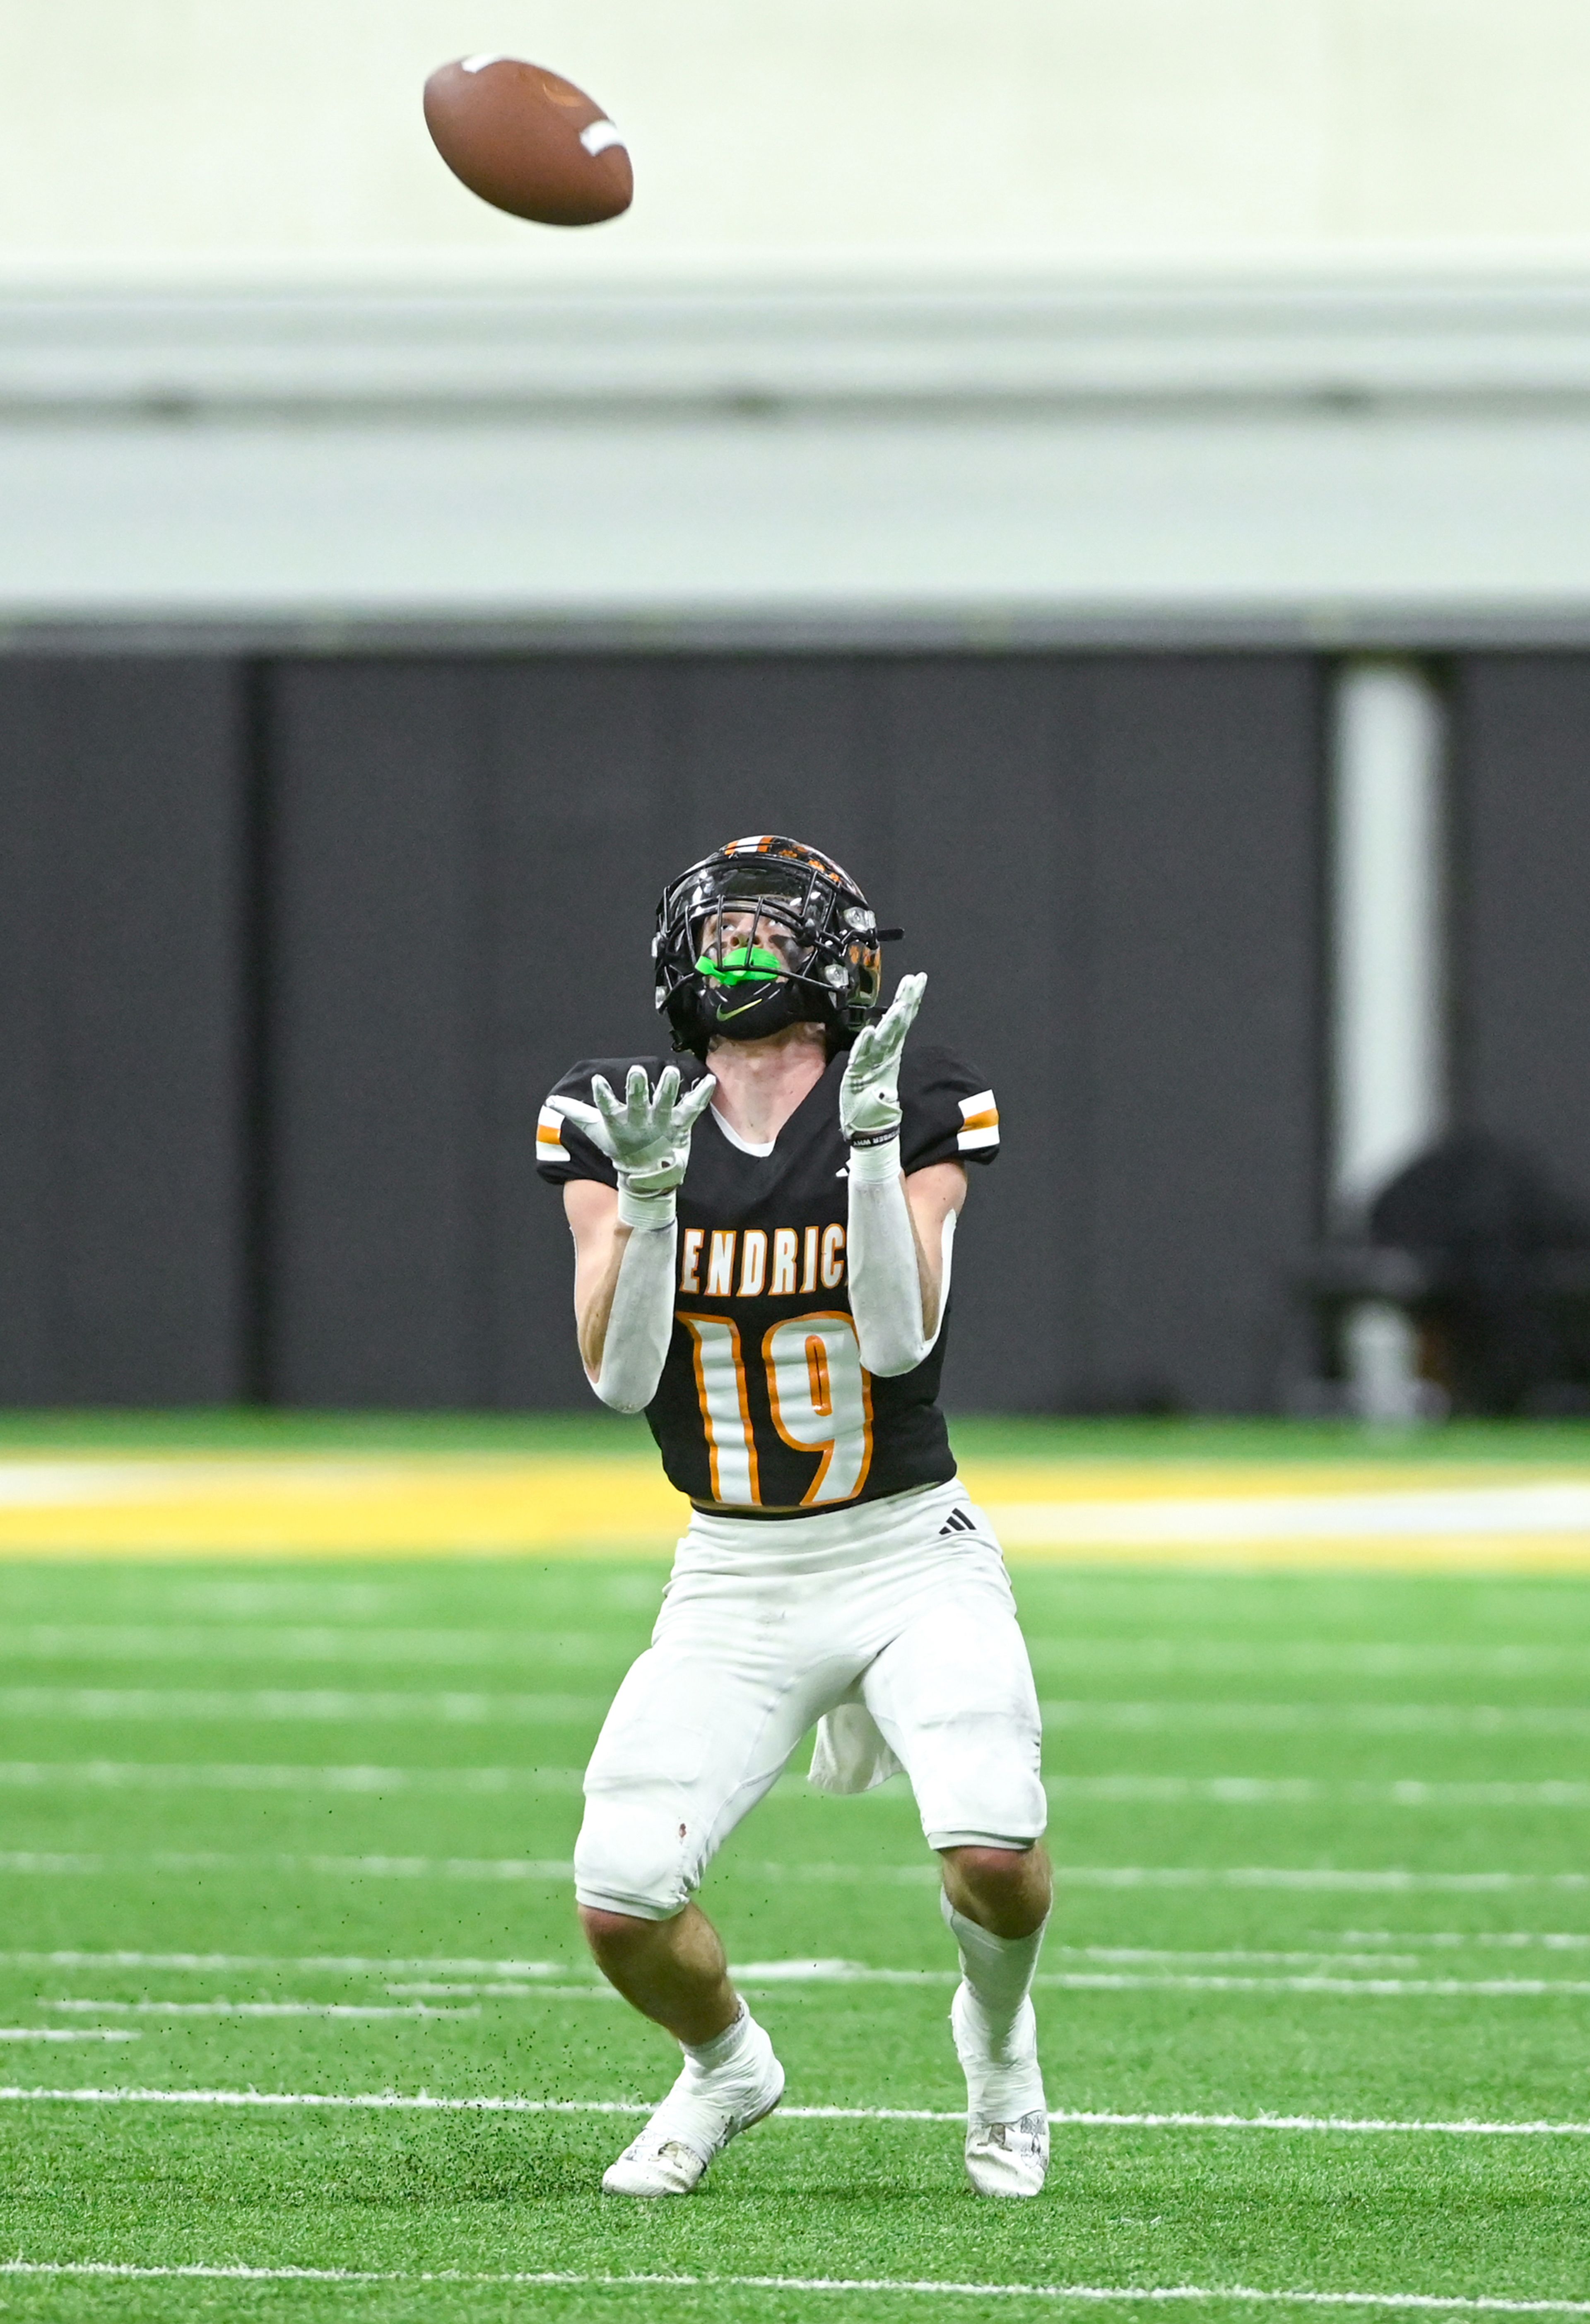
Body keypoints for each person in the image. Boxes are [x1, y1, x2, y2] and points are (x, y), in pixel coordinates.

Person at [537, 834, 1050, 2200]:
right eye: (722, 932)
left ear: (837, 953)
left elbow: (896, 1340)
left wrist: (874, 1147)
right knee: (620, 1889)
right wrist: (649, 1202)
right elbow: (618, 1379)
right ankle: (726, 2069)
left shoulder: (918, 1086)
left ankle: (997, 2048)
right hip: (736, 1567)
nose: (740, 954)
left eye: (769, 930)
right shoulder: (615, 1108)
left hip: (902, 1545)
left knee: (995, 1842)